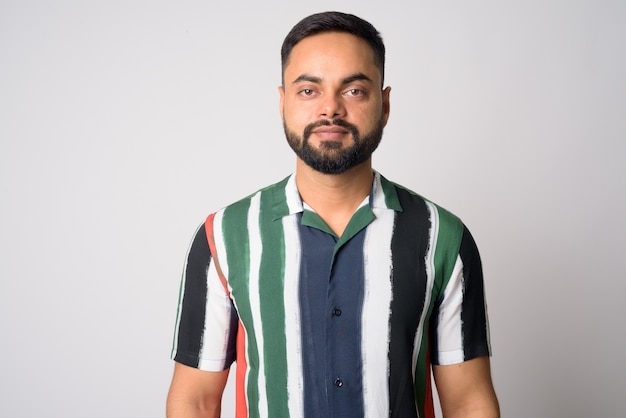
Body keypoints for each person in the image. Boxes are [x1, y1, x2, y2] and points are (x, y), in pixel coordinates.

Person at [166, 11, 499, 418]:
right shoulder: (224, 237)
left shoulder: (442, 237)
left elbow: (469, 400)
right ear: (283, 101)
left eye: (354, 90)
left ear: (385, 103)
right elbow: (195, 401)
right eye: (308, 90)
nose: (330, 109)